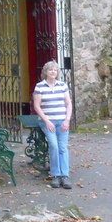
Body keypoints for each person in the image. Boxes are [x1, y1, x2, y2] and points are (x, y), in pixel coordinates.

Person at [32, 59, 72, 189]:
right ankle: (55, 175)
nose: (53, 72)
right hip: (47, 122)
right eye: (50, 70)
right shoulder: (40, 87)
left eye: (55, 70)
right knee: (54, 146)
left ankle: (64, 176)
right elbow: (37, 106)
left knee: (62, 147)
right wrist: (47, 121)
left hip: (62, 121)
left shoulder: (62, 85)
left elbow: (68, 103)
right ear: (46, 72)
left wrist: (67, 120)